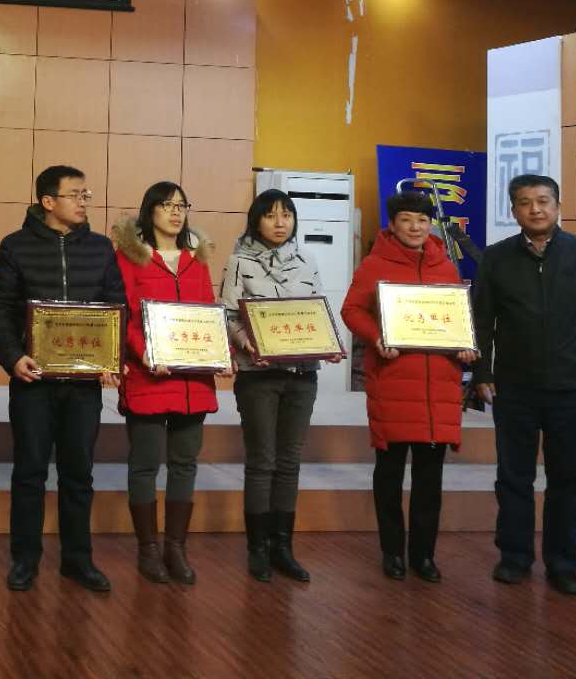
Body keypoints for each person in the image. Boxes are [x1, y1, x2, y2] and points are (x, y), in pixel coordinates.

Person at [472, 174, 576, 596]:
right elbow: (481, 323)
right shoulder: (496, 258)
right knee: (513, 478)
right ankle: (514, 558)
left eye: (543, 200)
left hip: (574, 388)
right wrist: (482, 373)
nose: (535, 209)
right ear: (513, 211)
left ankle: (563, 565)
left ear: (557, 206)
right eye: (525, 202)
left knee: (568, 480)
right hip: (514, 388)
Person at [0, 165, 125, 593]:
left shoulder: (100, 248)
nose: (83, 202)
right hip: (33, 380)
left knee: (78, 473)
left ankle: (77, 560)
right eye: (75, 195)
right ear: (48, 201)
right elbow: (0, 308)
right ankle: (24, 560)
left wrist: (111, 358)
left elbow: (116, 305)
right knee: (29, 471)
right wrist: (12, 358)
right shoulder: (15, 246)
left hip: (83, 385)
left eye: (86, 195)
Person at [341, 189, 477, 583]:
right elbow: (352, 310)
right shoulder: (375, 264)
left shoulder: (446, 266)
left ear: (431, 224)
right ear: (393, 223)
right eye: (406, 220)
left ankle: (423, 556)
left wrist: (466, 344)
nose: (415, 227)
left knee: (430, 480)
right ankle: (392, 552)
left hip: (439, 389)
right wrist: (376, 337)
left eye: (422, 220)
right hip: (394, 382)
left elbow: (458, 318)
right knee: (389, 474)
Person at [220, 188, 342, 584]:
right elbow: (227, 315)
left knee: (289, 462)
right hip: (258, 374)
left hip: (302, 374)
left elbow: (317, 311)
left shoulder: (307, 259)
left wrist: (330, 344)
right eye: (271, 215)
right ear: (256, 220)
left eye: (286, 215)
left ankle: (283, 548)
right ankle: (257, 549)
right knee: (262, 461)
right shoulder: (239, 261)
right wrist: (247, 343)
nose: (280, 222)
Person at [111, 181, 221, 586]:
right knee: (144, 465)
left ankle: (176, 547)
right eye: (166, 205)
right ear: (149, 210)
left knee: (185, 464)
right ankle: (148, 549)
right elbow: (122, 314)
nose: (176, 212)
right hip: (148, 376)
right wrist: (146, 354)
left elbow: (207, 315)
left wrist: (220, 354)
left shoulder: (197, 260)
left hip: (193, 380)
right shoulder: (129, 258)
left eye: (181, 205)